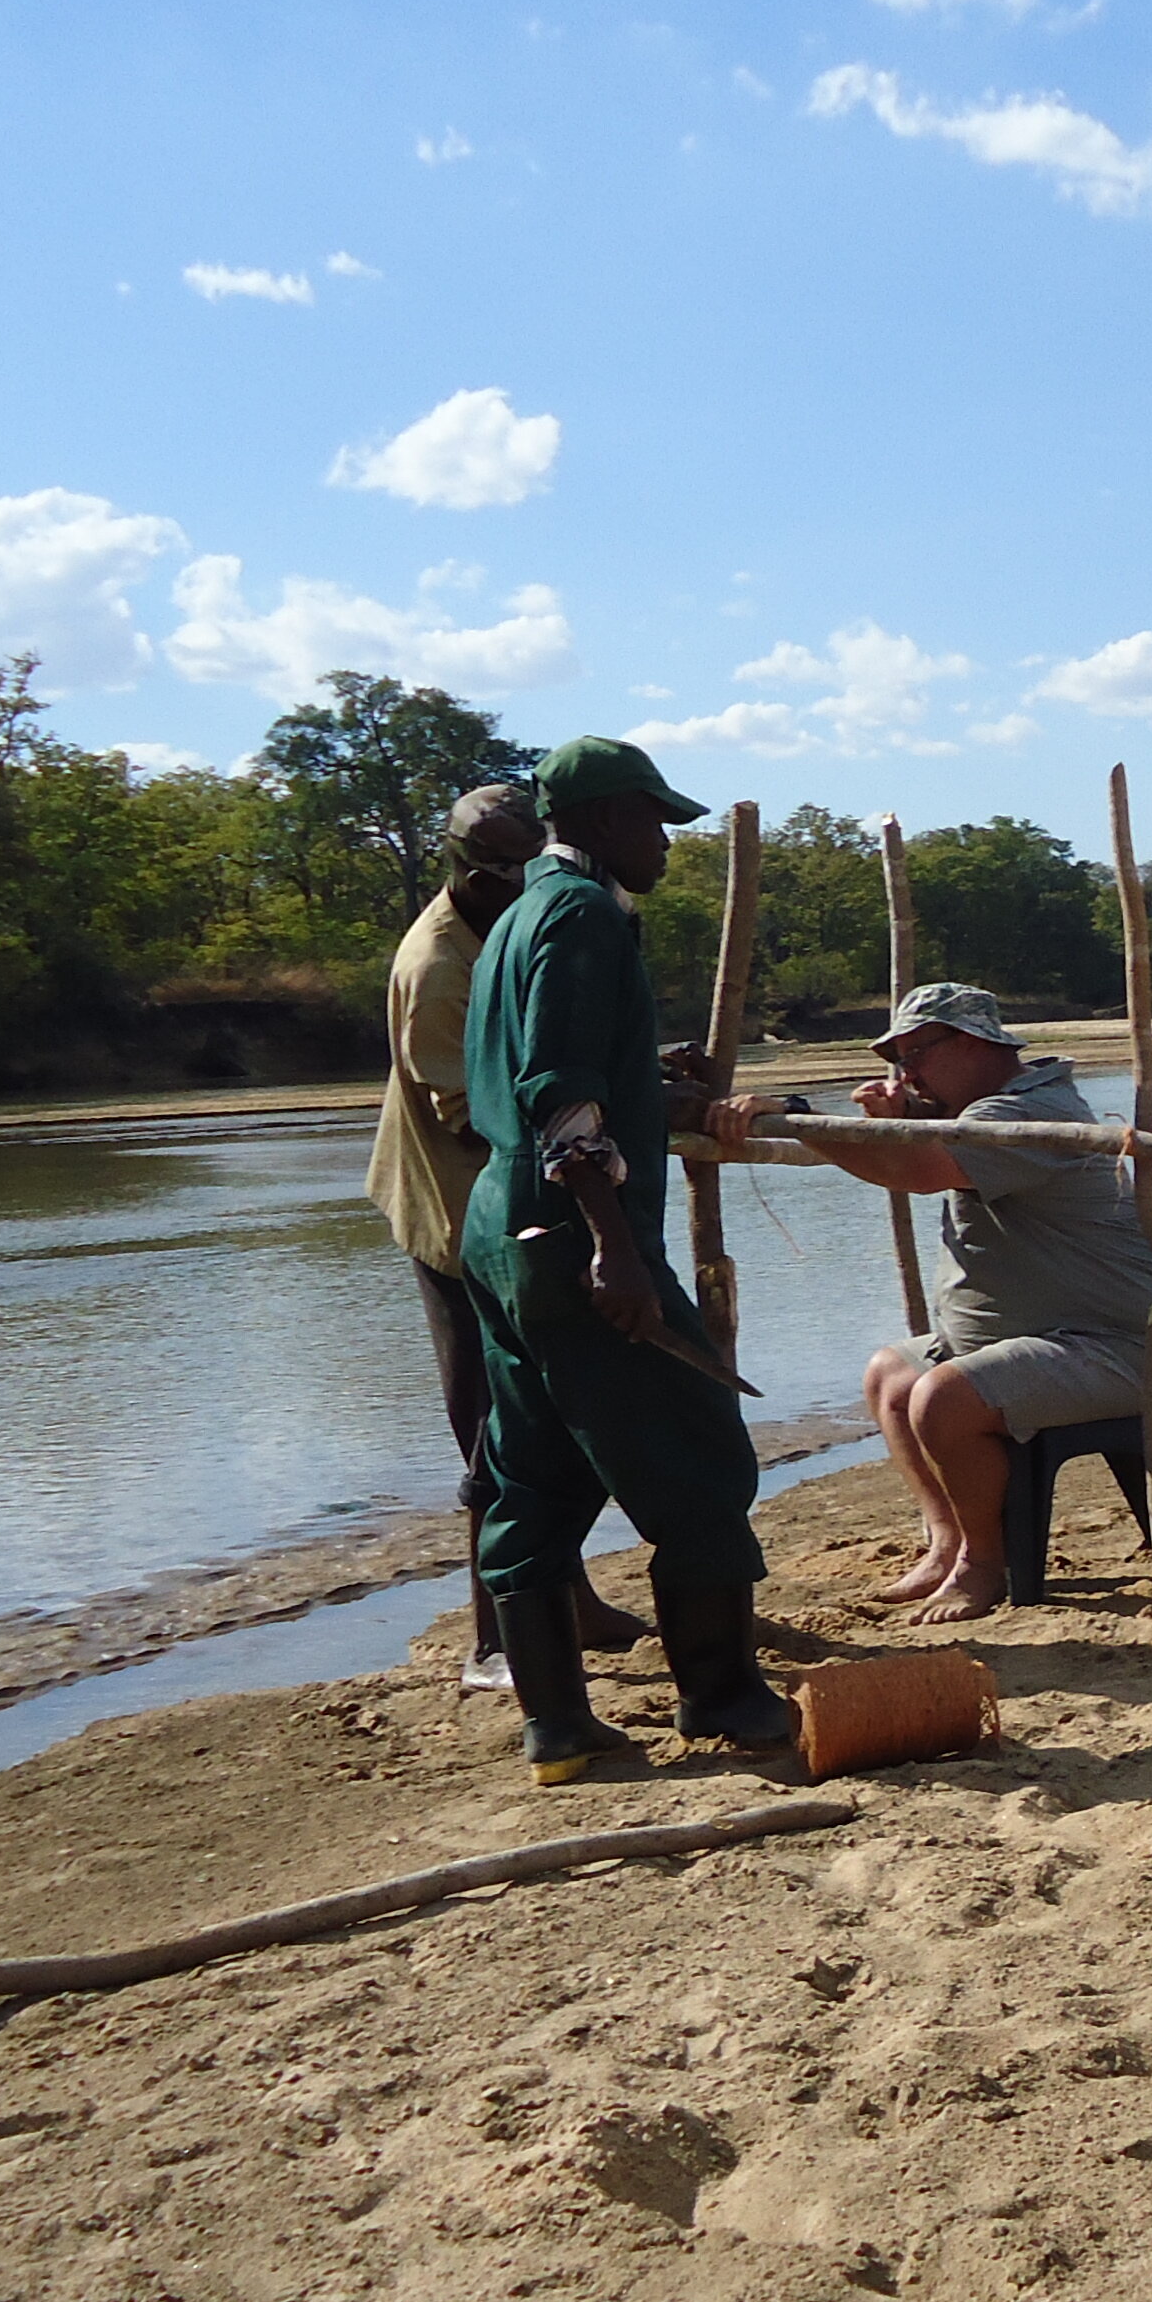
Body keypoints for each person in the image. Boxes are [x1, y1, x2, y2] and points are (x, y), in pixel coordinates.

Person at [461, 732, 791, 1778]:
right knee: (700, 1457)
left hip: (502, 1228)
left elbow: (558, 1061)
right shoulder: (582, 915)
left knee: (539, 1470)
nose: (664, 841)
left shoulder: (519, 915)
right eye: (653, 820)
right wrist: (615, 1249)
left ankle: (556, 1726)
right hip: (569, 1234)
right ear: (603, 820)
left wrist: (649, 1077)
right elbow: (558, 1091)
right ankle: (724, 1698)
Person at [709, 981, 1152, 1624]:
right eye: (898, 1059)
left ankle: (984, 1562)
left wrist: (797, 1111)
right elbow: (911, 1154)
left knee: (942, 1398)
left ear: (974, 1043)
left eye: (917, 1052)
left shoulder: (1025, 1114)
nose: (908, 1072)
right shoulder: (974, 1113)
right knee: (890, 1376)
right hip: (1033, 1336)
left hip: (1105, 1347)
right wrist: (886, 1126)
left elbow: (918, 1172)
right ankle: (946, 1540)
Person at [365, 782, 644, 1688]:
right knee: (494, 1426)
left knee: (560, 1412)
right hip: (456, 1217)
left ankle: (573, 1599)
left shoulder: (513, 928)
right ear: (473, 874)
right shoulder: (438, 963)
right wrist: (595, 1117)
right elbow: (473, 1106)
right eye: (513, 874)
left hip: (516, 1202)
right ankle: (494, 1640)